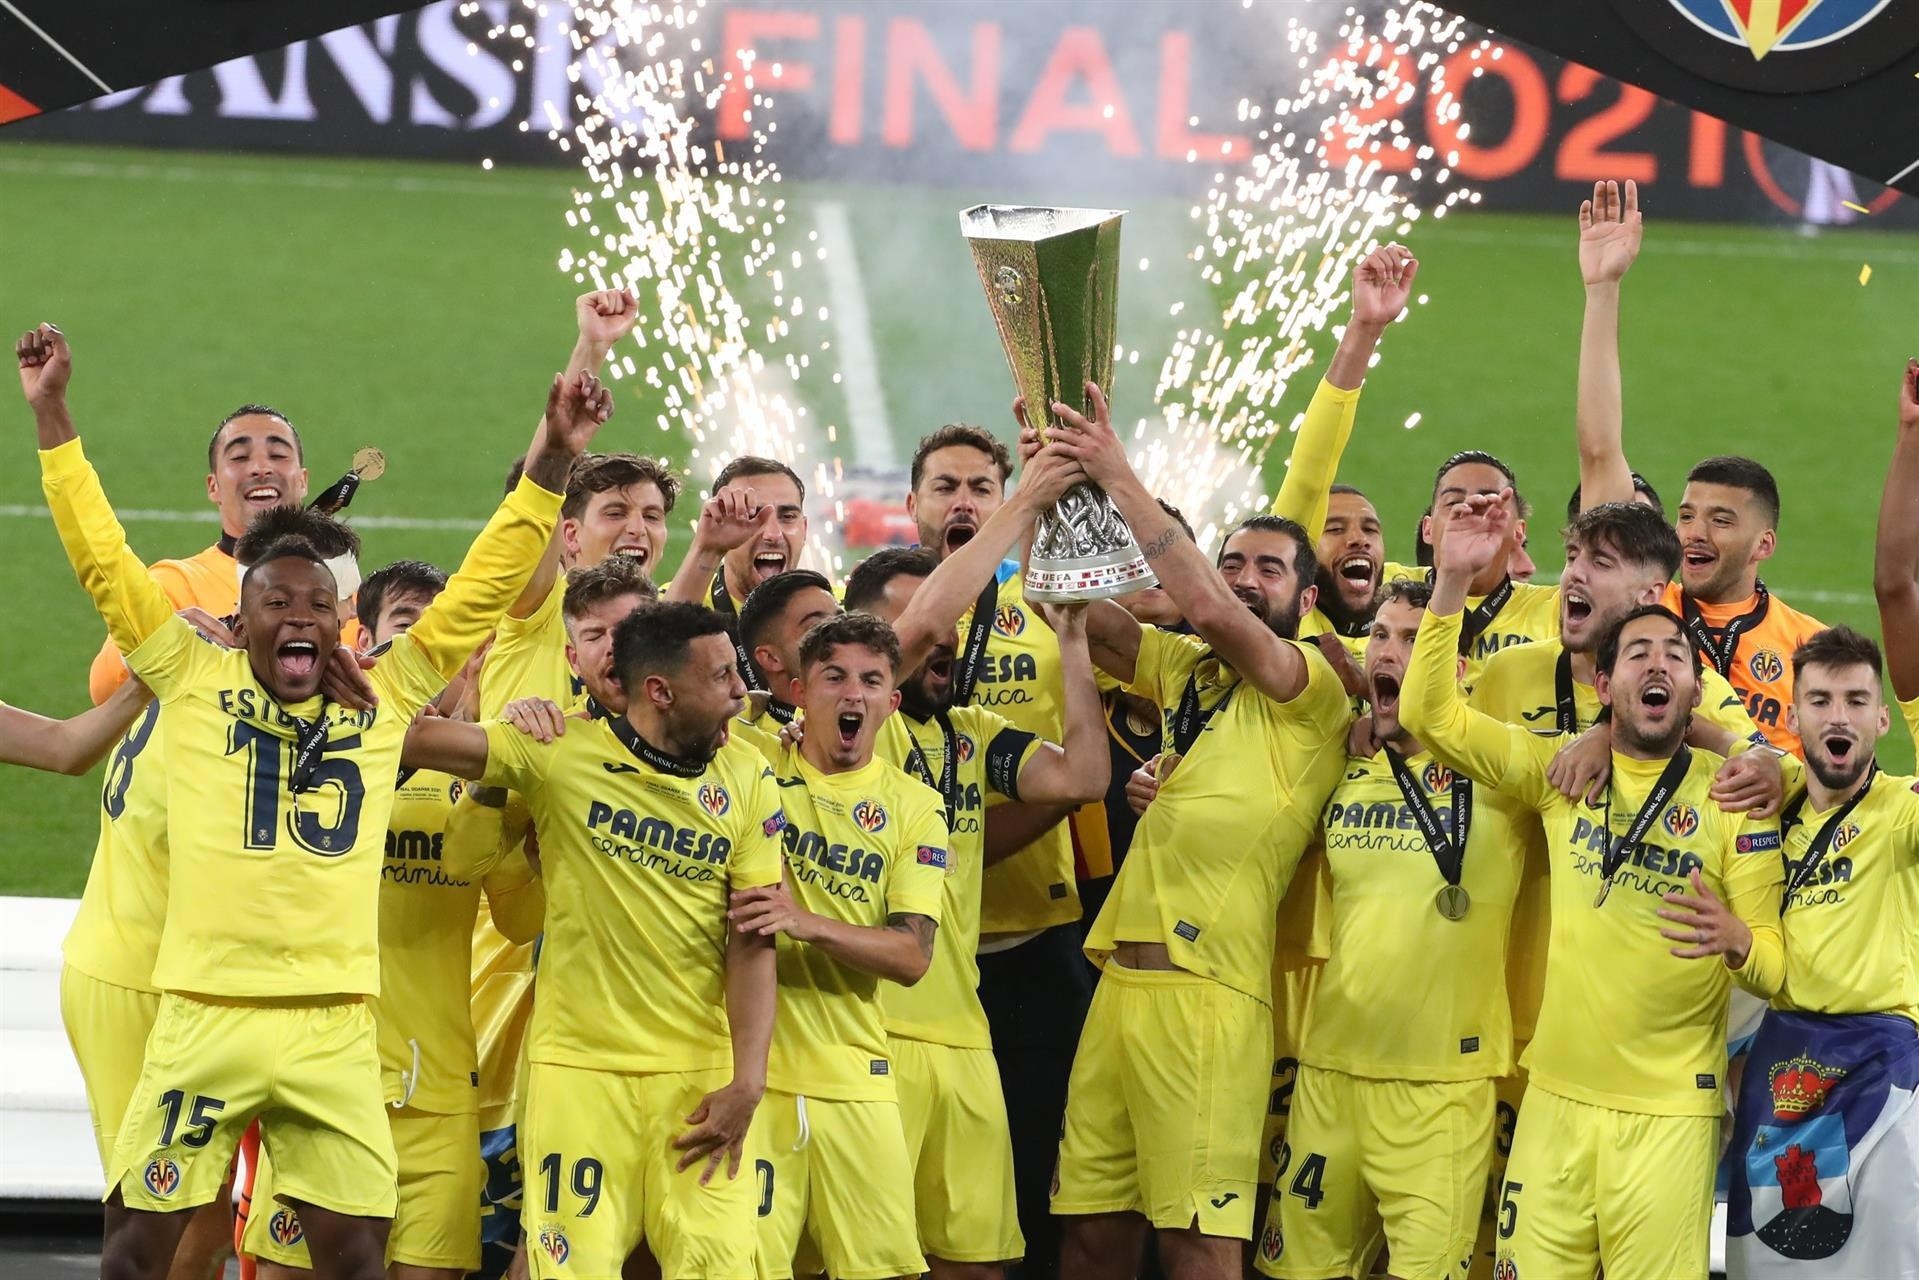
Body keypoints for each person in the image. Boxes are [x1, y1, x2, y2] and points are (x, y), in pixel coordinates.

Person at [23, 315, 608, 1280]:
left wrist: (552, 461)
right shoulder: (186, 670)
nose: (296, 615)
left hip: (336, 1023)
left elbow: (485, 579)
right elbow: (100, 555)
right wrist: (53, 417)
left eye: (313, 604)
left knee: (352, 1257)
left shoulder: (386, 697)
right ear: (234, 616)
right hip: (201, 1011)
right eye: (273, 601)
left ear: (344, 624)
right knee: (137, 1246)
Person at [1400, 488, 1786, 1280]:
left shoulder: (1721, 783)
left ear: (1691, 681)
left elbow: (1770, 779)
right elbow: (1430, 716)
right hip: (1542, 1079)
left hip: (1668, 1109)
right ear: (1606, 683)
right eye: (1571, 556)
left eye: (1672, 655)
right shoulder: (1552, 766)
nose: (1656, 664)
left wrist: (1741, 940)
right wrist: (1448, 583)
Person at [1043, 383, 1352, 1278]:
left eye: (1268, 569)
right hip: (1119, 990)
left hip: (1210, 998)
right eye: (1235, 561)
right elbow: (1075, 608)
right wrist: (1055, 486)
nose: (1246, 580)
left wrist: (1116, 468)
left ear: (1305, 596)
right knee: (1091, 1232)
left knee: (1198, 1245)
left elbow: (1212, 609)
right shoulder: (1185, 671)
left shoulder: (1307, 692)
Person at [402, 601, 782, 1280]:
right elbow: (401, 737)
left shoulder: (748, 777)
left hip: (697, 1082)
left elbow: (752, 940)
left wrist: (748, 1081)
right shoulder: (558, 752)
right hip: (577, 1077)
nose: (739, 693)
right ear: (660, 692)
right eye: (723, 676)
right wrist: (489, 710)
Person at [843, 437, 1109, 1276]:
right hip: (869, 1029)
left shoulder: (966, 737)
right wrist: (1022, 503)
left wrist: (1069, 641)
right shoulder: (851, 733)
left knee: (980, 1258)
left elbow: (1084, 776)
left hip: (962, 1029)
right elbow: (911, 632)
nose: (941, 638)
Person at [243, 559, 547, 1280]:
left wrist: (529, 827)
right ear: (363, 640)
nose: (427, 657)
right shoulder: (305, 754)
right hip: (317, 1084)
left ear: (474, 660)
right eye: (410, 631)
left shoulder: (481, 782)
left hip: (437, 1100)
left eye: (452, 642)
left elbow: (519, 919)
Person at [1254, 578, 1527, 1280]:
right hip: (1329, 1074)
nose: (1389, 650)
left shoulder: (1501, 772)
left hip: (1442, 1089)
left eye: (1410, 639)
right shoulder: (1336, 767)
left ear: (1451, 669)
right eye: (1379, 635)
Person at [902, 418, 1087, 1278]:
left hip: (1028, 938)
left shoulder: (1051, 608)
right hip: (907, 963)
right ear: (910, 504)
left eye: (983, 486)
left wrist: (960, 851)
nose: (964, 501)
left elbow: (1078, 766)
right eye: (945, 486)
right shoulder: (882, 623)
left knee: (1022, 1179)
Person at [720, 612, 946, 1280]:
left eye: (872, 680)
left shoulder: (914, 806)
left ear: (890, 703)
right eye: (834, 677)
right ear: (799, 691)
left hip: (857, 1081)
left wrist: (803, 921)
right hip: (747, 1081)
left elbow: (911, 958)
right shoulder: (747, 761)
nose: (853, 694)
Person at [1570, 179, 1825, 752]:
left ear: (1764, 544)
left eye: (1720, 520)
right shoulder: (1647, 603)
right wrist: (1603, 289)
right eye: (1686, 515)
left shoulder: (1811, 648)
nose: (1693, 533)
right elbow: (1599, 451)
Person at [1723, 627, 1919, 1278]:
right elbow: (1714, 738)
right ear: (1793, 713)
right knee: (1771, 1264)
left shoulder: (1901, 812)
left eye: (1856, 700)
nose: (1838, 715)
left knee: (1887, 1262)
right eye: (1821, 699)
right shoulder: (1767, 801)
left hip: (1882, 1074)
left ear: (1881, 720)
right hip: (1783, 1072)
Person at [85, 401, 311, 704]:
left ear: (303, 480)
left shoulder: (344, 590)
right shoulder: (176, 583)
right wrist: (165, 642)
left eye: (279, 455)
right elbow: (104, 689)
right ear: (213, 486)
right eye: (240, 457)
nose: (260, 468)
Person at [732, 568, 840, 745]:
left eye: (842, 620)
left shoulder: (877, 702)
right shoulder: (748, 744)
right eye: (818, 627)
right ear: (771, 659)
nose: (841, 634)